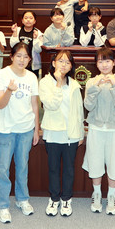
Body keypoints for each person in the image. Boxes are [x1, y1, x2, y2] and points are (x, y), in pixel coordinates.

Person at [0, 43, 40, 223]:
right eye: (18, 55)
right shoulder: (1, 75)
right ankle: (3, 205)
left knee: (22, 166)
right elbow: (0, 104)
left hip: (26, 129)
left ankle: (22, 199)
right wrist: (9, 91)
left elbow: (34, 105)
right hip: (6, 130)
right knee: (3, 169)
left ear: (29, 59)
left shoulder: (32, 77)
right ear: (11, 57)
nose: (22, 60)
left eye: (25, 56)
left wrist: (36, 129)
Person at [82, 47, 115, 215]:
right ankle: (96, 194)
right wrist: (96, 88)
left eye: (108, 61)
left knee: (114, 162)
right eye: (101, 61)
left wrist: (114, 86)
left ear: (114, 63)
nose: (104, 65)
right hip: (95, 127)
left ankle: (111, 195)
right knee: (95, 161)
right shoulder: (91, 82)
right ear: (96, 64)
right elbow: (88, 106)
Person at [39, 50, 84, 216]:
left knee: (69, 169)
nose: (64, 64)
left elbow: (79, 111)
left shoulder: (74, 84)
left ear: (71, 66)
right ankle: (54, 198)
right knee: (53, 168)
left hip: (71, 134)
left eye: (67, 62)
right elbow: (51, 105)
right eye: (60, 61)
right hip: (52, 132)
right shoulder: (45, 82)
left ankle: (66, 198)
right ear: (53, 63)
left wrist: (80, 133)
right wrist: (58, 83)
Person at [9, 11, 44, 76]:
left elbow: (39, 50)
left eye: (31, 18)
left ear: (34, 21)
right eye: (26, 18)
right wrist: (14, 33)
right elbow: (13, 46)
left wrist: (35, 39)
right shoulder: (17, 30)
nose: (28, 20)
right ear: (22, 21)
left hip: (32, 64)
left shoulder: (38, 33)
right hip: (19, 61)